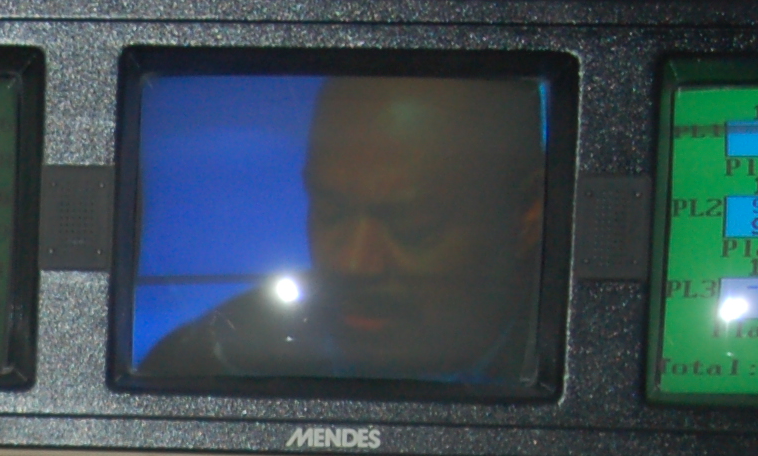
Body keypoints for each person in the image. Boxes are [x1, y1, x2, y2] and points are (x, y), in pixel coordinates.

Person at [138, 75, 547, 386]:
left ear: (528, 216)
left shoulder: (565, 351)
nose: (352, 264)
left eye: (412, 225)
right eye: (331, 212)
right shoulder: (204, 362)